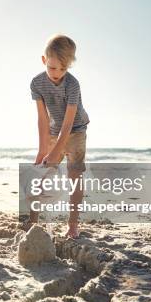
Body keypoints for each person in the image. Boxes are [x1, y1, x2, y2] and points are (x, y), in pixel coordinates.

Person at [30, 35, 90, 238]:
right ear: (44, 60)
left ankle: (72, 226)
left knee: (74, 176)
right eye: (53, 68)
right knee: (41, 171)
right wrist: (43, 150)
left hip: (76, 130)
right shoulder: (36, 83)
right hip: (55, 131)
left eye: (63, 69)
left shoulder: (72, 85)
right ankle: (32, 223)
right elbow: (42, 118)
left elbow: (69, 122)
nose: (57, 74)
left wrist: (56, 152)